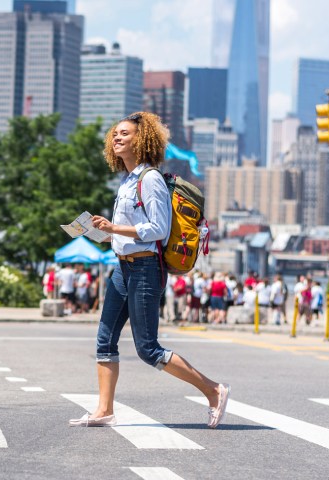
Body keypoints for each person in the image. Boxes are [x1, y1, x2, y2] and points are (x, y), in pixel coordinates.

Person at [69, 112, 229, 429]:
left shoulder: (150, 179)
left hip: (145, 269)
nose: (116, 137)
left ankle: (213, 390)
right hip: (122, 269)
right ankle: (104, 410)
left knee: (147, 348)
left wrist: (114, 226)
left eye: (124, 133)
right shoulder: (127, 181)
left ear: (141, 140)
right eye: (114, 133)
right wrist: (103, 231)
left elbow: (157, 228)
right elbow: (130, 228)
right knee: (105, 340)